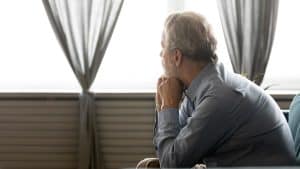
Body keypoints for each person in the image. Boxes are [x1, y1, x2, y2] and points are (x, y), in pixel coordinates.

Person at [153, 11, 296, 168]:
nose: (160, 54)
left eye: (163, 47)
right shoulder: (201, 87)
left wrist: (167, 107)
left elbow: (171, 163)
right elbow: (171, 150)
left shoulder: (217, 98)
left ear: (176, 57)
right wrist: (164, 107)